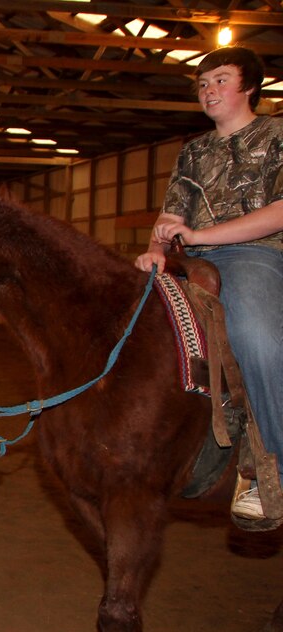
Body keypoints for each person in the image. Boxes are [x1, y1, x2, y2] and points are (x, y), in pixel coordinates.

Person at [134, 46, 283, 523]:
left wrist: (201, 236)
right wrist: (159, 246)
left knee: (259, 341)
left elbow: (279, 212)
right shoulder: (193, 150)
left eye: (220, 80)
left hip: (256, 254)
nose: (209, 90)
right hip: (189, 257)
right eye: (202, 84)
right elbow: (172, 213)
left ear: (250, 87)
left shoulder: (277, 136)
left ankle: (271, 472)